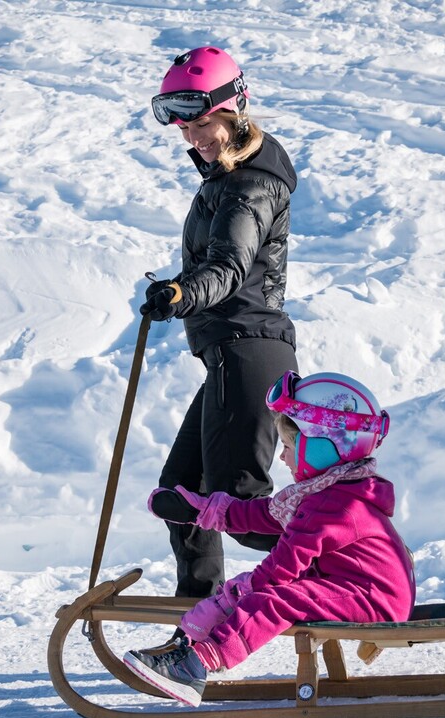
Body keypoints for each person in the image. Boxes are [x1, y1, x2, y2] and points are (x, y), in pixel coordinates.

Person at [123, 371, 415, 707]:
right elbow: (265, 514)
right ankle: (193, 656)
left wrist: (231, 599)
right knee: (267, 591)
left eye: (288, 445)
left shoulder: (337, 505)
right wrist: (202, 510)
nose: (282, 456)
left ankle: (197, 665)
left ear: (323, 447)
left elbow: (281, 568)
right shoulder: (331, 492)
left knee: (272, 600)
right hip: (364, 591)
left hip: (373, 599)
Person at [141, 45, 300, 599]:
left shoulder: (249, 184)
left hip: (249, 348)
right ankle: (199, 618)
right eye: (184, 128)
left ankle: (355, 564)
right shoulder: (227, 178)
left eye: (202, 124)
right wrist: (177, 288)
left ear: (234, 111)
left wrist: (184, 293)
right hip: (232, 352)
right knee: (181, 495)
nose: (192, 137)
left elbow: (229, 269)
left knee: (241, 507)